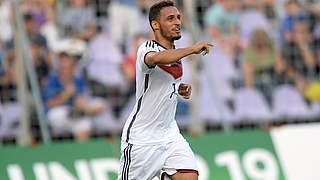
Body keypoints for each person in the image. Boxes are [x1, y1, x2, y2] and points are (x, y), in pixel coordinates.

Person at [117, 1, 213, 180]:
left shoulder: (175, 53)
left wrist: (179, 88)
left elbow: (162, 82)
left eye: (178, 18)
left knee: (189, 177)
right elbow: (156, 59)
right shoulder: (147, 48)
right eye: (170, 19)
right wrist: (192, 49)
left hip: (169, 134)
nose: (177, 22)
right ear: (155, 25)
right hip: (142, 139)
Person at [43, 52, 105, 141]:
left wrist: (87, 108)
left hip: (74, 113)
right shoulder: (52, 80)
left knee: (85, 123)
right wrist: (66, 95)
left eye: (68, 68)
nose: (65, 71)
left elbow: (81, 100)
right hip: (55, 114)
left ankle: (82, 152)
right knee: (63, 114)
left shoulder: (77, 80)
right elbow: (49, 103)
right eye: (63, 68)